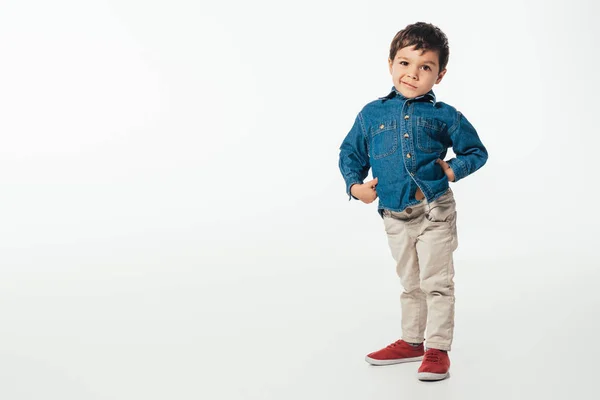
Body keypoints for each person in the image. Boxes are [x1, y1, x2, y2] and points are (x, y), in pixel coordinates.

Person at [338, 22, 488, 381]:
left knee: (437, 281)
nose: (412, 73)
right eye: (405, 63)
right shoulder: (371, 114)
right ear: (390, 63)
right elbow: (350, 152)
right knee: (411, 283)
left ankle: (437, 348)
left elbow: (476, 151)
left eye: (425, 67)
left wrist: (452, 170)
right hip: (393, 215)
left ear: (440, 75)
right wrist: (354, 186)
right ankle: (411, 341)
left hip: (434, 211)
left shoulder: (444, 115)